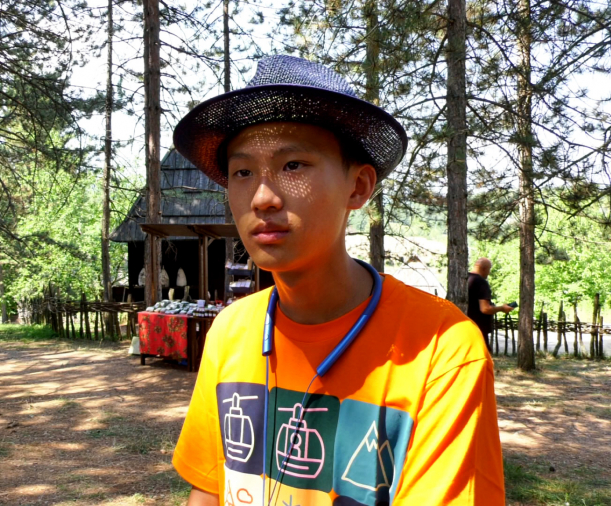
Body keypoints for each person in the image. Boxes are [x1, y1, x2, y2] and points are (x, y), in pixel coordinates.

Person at [170, 55, 505, 506]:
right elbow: (209, 488)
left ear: (359, 187)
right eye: (242, 172)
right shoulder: (230, 331)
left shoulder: (442, 350)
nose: (262, 197)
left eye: (293, 165)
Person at [467, 258, 513, 350]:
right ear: (484, 269)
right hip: (478, 329)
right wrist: (502, 308)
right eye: (489, 269)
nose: (489, 273)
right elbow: (485, 308)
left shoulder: (464, 278)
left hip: (464, 327)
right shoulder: (481, 283)